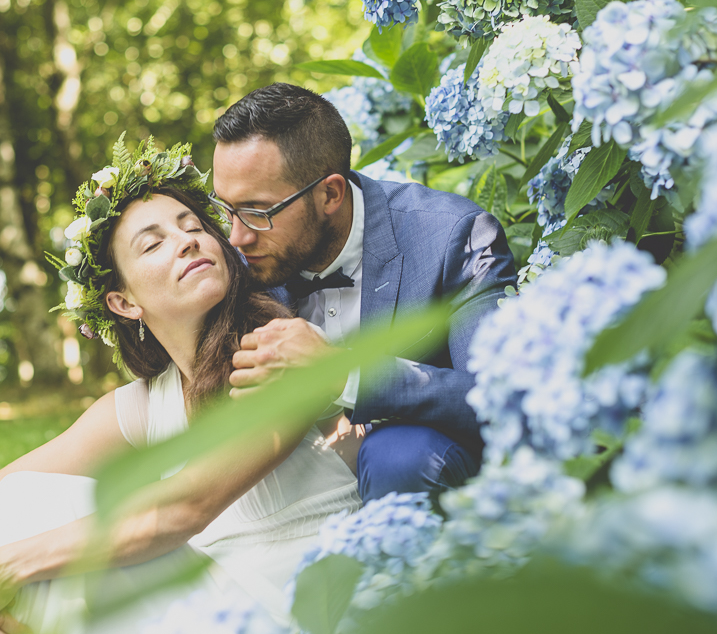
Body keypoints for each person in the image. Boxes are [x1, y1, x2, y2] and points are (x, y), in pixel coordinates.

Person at [0, 139, 361, 634]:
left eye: (192, 226)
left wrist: (4, 567)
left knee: (37, 537)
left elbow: (183, 509)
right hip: (207, 615)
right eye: (154, 243)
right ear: (123, 302)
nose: (187, 240)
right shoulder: (144, 406)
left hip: (290, 624)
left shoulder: (273, 353)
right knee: (24, 513)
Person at [211, 83, 518, 502]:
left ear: (330, 194)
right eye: (226, 208)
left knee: (399, 456)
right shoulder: (236, 259)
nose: (237, 236)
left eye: (257, 212)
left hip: (428, 481)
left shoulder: (453, 238)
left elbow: (498, 400)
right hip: (293, 491)